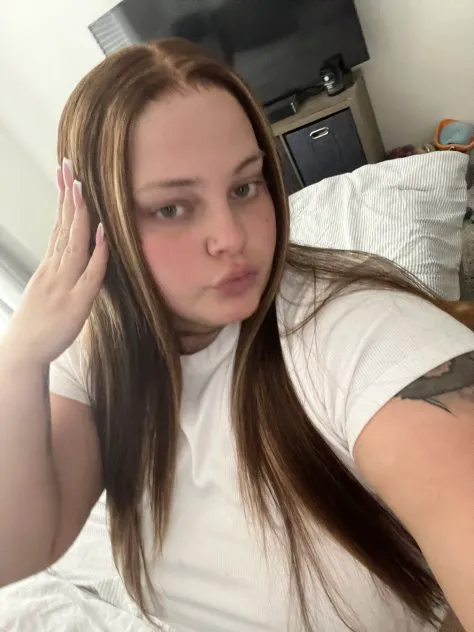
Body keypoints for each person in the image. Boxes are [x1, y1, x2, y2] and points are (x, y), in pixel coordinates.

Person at [0, 38, 472, 632]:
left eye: (245, 187)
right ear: (98, 222)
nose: (231, 237)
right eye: (172, 208)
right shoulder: (99, 351)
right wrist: (21, 356)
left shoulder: (361, 331)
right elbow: (17, 550)